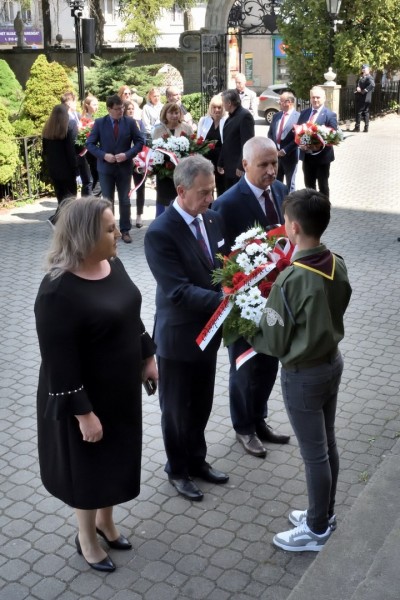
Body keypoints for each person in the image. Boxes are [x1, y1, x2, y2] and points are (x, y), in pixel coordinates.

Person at [34, 196, 158, 572]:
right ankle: (86, 537)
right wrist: (83, 414)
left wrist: (147, 356)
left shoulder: (112, 263)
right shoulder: (56, 290)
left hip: (120, 390)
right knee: (88, 469)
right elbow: (58, 361)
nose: (118, 233)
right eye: (109, 229)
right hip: (84, 398)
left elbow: (130, 313)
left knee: (115, 459)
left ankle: (106, 522)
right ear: (85, 236)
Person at [251, 188, 352, 552]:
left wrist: (252, 327)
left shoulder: (291, 279)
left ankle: (317, 529)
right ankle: (325, 512)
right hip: (331, 362)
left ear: (292, 227)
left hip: (303, 374)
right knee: (328, 443)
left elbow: (276, 340)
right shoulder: (337, 261)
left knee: (315, 454)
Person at [144, 155, 229, 502]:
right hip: (178, 339)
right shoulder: (160, 232)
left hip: (209, 334)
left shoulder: (212, 218)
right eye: (203, 192)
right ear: (181, 191)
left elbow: (223, 265)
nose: (210, 198)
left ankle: (197, 460)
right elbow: (177, 290)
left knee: (202, 404)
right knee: (177, 411)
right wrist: (226, 300)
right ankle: (177, 470)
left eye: (213, 191)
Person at [213, 137, 290, 458]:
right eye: (264, 165)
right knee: (244, 367)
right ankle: (244, 428)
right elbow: (218, 259)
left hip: (277, 299)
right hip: (243, 302)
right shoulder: (227, 204)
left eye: (275, 163)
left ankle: (259, 419)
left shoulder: (282, 192)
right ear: (245, 165)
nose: (271, 170)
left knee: (270, 363)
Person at [86, 94, 144, 243]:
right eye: (117, 109)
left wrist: (127, 154)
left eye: (122, 108)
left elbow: (139, 142)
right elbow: (90, 144)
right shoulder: (100, 123)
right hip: (106, 168)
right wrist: (104, 155)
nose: (121, 111)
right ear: (109, 109)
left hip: (124, 168)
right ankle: (110, 231)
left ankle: (125, 230)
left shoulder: (130, 122)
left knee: (125, 200)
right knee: (107, 201)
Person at [151, 102, 194, 217]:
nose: (174, 115)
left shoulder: (187, 128)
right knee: (166, 203)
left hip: (183, 172)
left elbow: (193, 147)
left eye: (176, 113)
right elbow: (154, 151)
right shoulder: (158, 130)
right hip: (165, 173)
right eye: (171, 113)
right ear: (165, 114)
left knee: (182, 200)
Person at [297, 86, 337, 198]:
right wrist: (301, 144)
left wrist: (317, 144)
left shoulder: (330, 115)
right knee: (309, 186)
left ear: (324, 98)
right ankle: (311, 207)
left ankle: (324, 207)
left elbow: (333, 136)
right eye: (313, 97)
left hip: (322, 158)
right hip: (307, 157)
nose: (315, 100)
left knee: (323, 186)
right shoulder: (304, 113)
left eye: (318, 97)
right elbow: (298, 131)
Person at [42, 104, 78, 225]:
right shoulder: (69, 127)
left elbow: (45, 152)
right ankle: (56, 220)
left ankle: (62, 223)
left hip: (54, 169)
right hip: (67, 169)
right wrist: (76, 169)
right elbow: (70, 151)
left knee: (61, 197)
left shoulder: (47, 130)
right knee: (70, 198)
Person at [217, 89, 255, 191]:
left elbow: (247, 143)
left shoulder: (245, 116)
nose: (222, 105)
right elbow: (226, 142)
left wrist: (241, 166)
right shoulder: (230, 117)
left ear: (229, 103)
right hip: (229, 167)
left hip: (238, 168)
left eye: (223, 102)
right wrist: (220, 161)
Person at [61, 91, 93, 197]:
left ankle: (85, 202)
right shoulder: (65, 117)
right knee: (84, 181)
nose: (76, 104)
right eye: (75, 101)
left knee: (88, 180)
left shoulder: (76, 114)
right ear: (69, 102)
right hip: (73, 152)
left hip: (81, 151)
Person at [268, 92, 300, 192]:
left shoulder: (299, 117)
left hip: (290, 156)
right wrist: (274, 149)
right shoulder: (276, 116)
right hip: (276, 156)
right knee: (276, 183)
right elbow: (270, 133)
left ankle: (291, 202)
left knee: (290, 185)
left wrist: (285, 150)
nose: (279, 103)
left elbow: (298, 138)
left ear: (288, 102)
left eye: (281, 101)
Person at [197, 95, 227, 196]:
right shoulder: (203, 120)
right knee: (207, 186)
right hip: (206, 158)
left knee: (221, 186)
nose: (216, 110)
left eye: (219, 107)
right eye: (214, 107)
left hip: (221, 158)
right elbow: (199, 140)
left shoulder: (226, 121)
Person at [124, 99, 146, 228]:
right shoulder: (121, 123)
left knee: (140, 187)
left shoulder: (139, 123)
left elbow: (143, 140)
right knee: (126, 190)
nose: (131, 111)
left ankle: (139, 215)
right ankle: (127, 216)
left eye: (132, 109)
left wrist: (140, 157)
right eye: (129, 109)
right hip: (126, 160)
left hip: (139, 160)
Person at [82, 94, 101, 197]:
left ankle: (93, 198)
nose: (96, 107)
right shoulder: (84, 119)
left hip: (95, 150)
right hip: (89, 151)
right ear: (87, 105)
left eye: (97, 104)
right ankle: (92, 198)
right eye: (94, 104)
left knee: (96, 176)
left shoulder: (94, 117)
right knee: (94, 177)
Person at [353, 64, 375, 133]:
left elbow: (372, 84)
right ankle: (366, 128)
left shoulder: (369, 77)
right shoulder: (361, 77)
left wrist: (363, 91)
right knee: (366, 112)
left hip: (364, 98)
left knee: (359, 112)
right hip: (363, 98)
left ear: (368, 70)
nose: (363, 71)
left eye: (364, 70)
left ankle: (357, 128)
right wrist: (357, 88)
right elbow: (359, 85)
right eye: (362, 70)